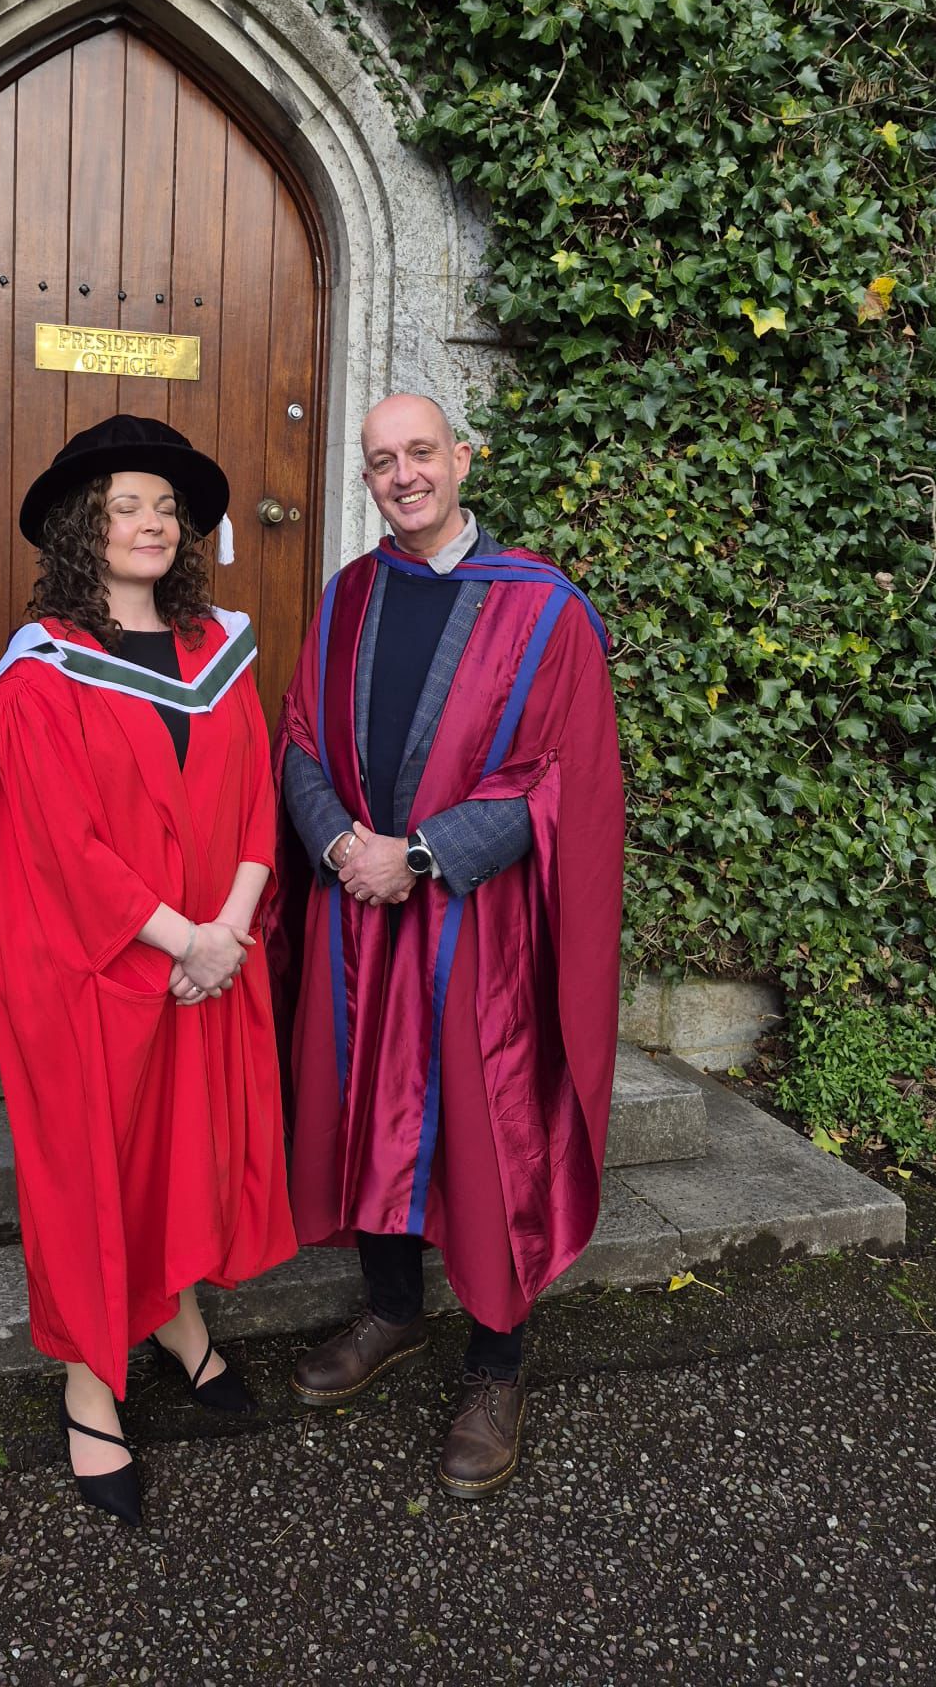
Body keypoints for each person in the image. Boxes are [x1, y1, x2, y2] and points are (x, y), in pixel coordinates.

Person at [270, 393, 623, 1501]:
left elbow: (560, 778)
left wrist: (417, 854)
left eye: (422, 451)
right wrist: (336, 842)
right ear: (367, 479)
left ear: (462, 459)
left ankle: (498, 1365)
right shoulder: (347, 597)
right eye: (382, 460)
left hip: (474, 923)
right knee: (363, 1102)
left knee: (483, 1131)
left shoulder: (545, 609)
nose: (404, 474)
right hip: (357, 914)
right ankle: (390, 1307)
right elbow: (296, 741)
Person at [0, 415, 296, 1526]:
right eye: (123, 506)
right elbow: (61, 848)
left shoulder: (220, 651)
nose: (149, 521)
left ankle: (175, 1317)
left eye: (163, 505)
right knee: (99, 1167)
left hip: (212, 958)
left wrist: (233, 928)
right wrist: (182, 938)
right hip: (103, 978)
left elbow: (257, 798)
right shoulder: (41, 674)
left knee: (183, 1156)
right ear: (81, 526)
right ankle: (87, 1378)